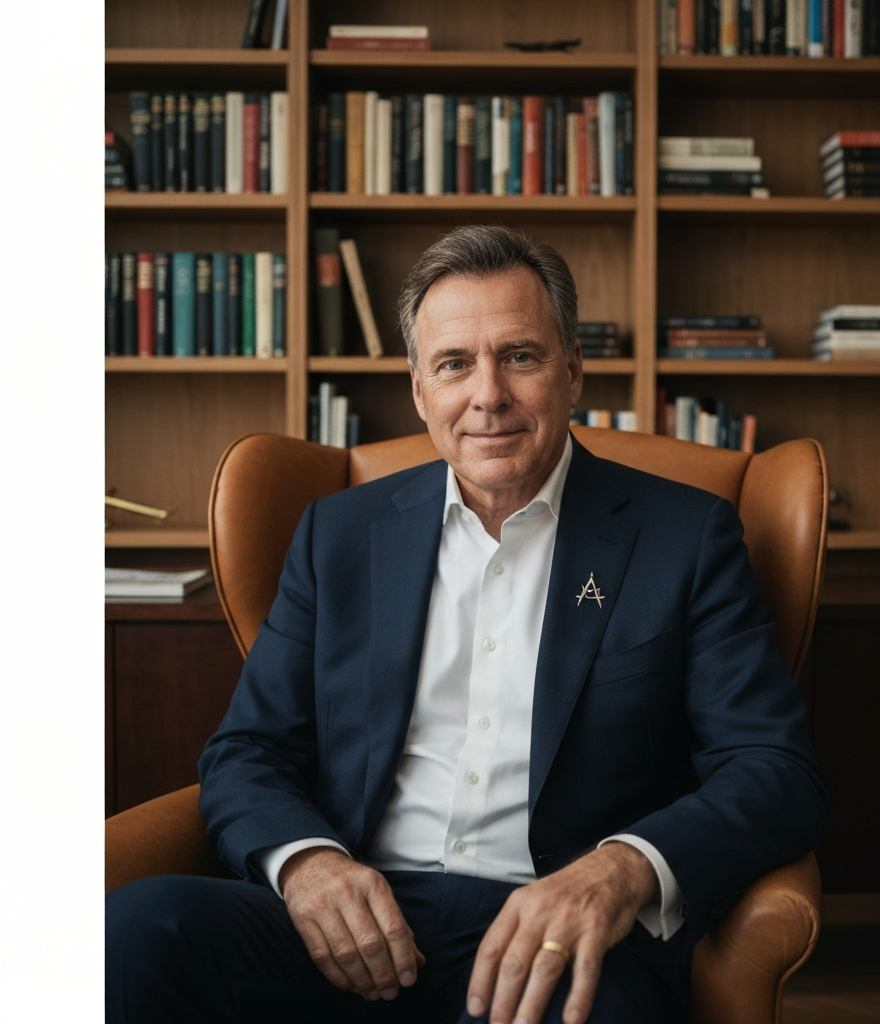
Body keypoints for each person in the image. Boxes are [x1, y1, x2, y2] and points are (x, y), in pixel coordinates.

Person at [106, 225, 827, 1024]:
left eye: (519, 355)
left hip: (557, 930)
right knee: (139, 932)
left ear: (573, 369)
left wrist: (618, 871)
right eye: (454, 364)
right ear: (420, 390)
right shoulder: (339, 535)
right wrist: (309, 866)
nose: (488, 395)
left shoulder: (684, 537)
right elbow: (247, 748)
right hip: (354, 911)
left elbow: (773, 767)